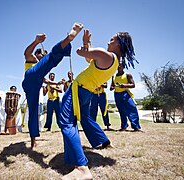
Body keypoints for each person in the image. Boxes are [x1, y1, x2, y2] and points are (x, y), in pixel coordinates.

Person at [59, 29, 138, 179]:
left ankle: (81, 168)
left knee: (66, 122)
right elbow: (90, 59)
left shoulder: (105, 54)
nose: (109, 42)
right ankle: (103, 140)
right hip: (87, 92)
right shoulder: (114, 62)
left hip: (78, 90)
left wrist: (84, 44)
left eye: (112, 40)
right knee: (86, 118)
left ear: (119, 45)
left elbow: (80, 52)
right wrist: (87, 44)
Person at [22, 22, 84, 150]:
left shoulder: (42, 67)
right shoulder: (33, 59)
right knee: (51, 57)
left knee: (33, 112)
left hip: (34, 86)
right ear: (37, 54)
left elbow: (47, 81)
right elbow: (26, 53)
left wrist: (57, 83)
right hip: (29, 78)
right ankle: (68, 39)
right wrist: (36, 42)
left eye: (42, 55)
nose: (42, 56)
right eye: (41, 54)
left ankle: (33, 141)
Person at [110, 62, 141, 131]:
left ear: (123, 67)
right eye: (118, 66)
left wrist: (124, 85)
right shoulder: (114, 76)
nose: (119, 67)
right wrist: (114, 87)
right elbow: (111, 87)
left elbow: (133, 85)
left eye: (120, 65)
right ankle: (124, 126)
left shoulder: (127, 75)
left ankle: (135, 126)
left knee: (132, 108)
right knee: (121, 111)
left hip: (125, 94)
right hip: (117, 94)